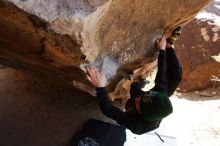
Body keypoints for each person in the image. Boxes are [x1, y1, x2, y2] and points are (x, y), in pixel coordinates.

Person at [86, 27, 182, 135]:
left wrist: (100, 87)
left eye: (139, 103)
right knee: (176, 76)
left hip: (135, 109)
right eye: (141, 98)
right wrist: (163, 50)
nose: (137, 99)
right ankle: (170, 46)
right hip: (152, 101)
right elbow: (162, 73)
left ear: (141, 114)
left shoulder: (136, 125)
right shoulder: (161, 94)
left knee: (134, 94)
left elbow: (108, 110)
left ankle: (137, 91)